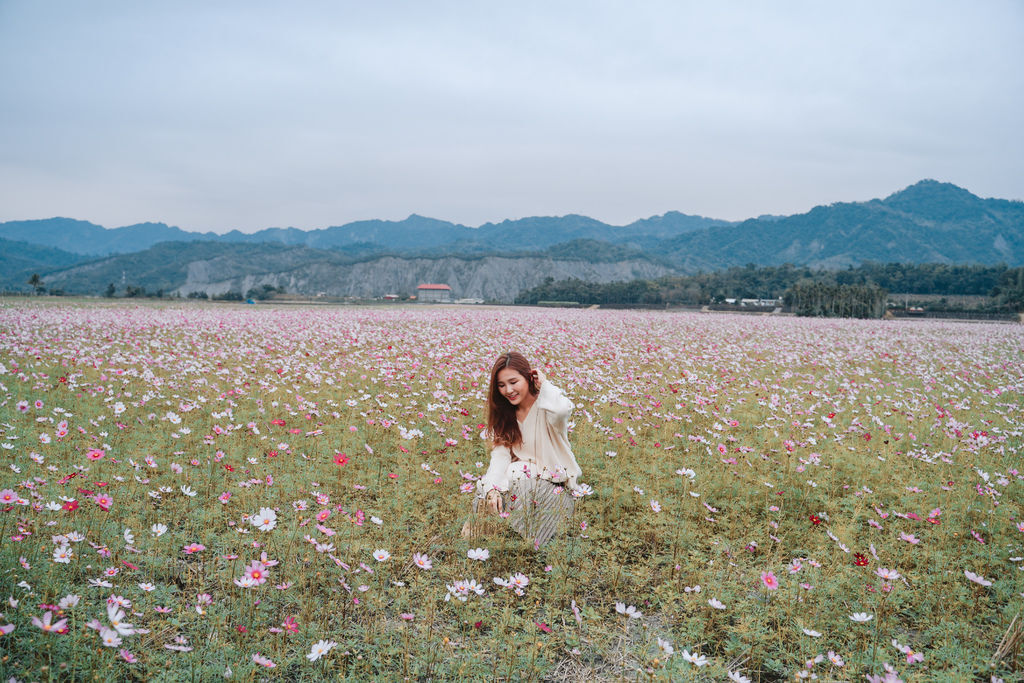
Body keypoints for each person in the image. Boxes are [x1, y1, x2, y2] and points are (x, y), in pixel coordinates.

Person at [461, 351, 585, 547]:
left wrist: (544, 384)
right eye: (501, 385)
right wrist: (492, 489)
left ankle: (520, 541)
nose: (508, 390)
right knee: (489, 488)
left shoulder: (547, 408)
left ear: (529, 378)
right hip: (521, 479)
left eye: (513, 382)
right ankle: (490, 540)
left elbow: (563, 410)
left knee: (514, 478)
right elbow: (500, 458)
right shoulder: (505, 415)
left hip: (556, 484)